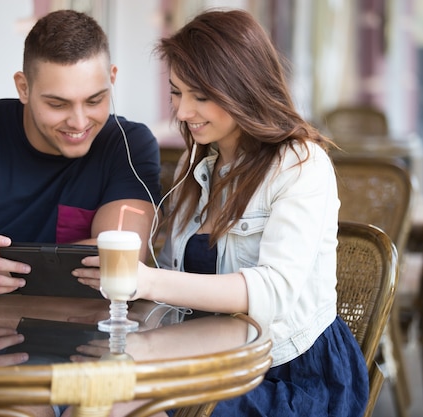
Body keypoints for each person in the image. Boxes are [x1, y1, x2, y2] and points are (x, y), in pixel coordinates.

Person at [77, 8, 368, 417]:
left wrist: (147, 282)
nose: (182, 112)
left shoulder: (302, 165)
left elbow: (272, 291)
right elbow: (181, 295)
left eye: (201, 96)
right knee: (101, 393)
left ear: (243, 88)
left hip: (287, 372)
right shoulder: (194, 169)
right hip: (207, 349)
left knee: (119, 400)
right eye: (176, 92)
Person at [0, 9, 160, 297]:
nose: (79, 122)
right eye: (58, 104)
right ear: (23, 87)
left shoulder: (128, 146)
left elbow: (120, 262)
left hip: (86, 332)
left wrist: (2, 266)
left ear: (112, 78)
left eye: (95, 100)